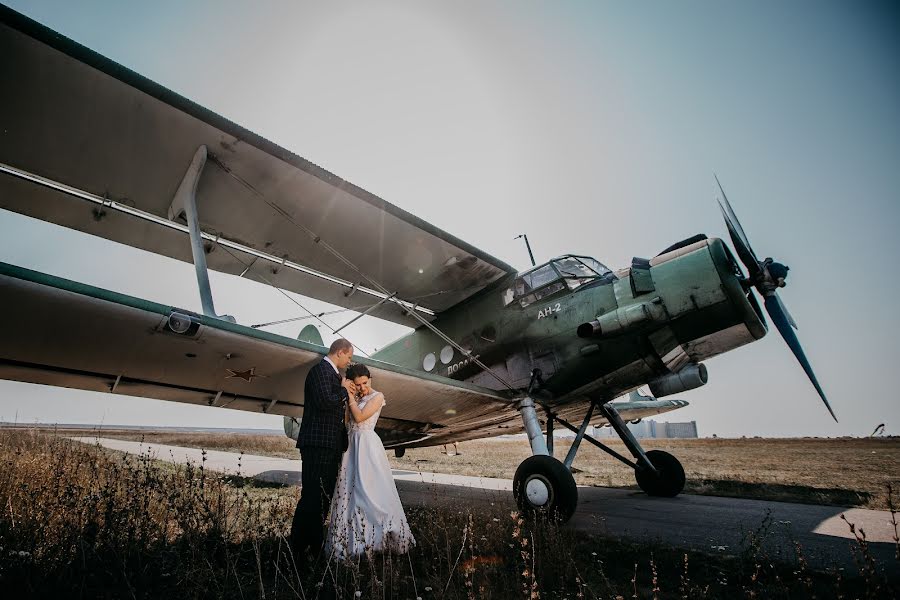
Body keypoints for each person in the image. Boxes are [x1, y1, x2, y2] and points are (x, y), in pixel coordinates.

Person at [325, 363, 415, 559]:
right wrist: (347, 395)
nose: (362, 388)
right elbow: (348, 421)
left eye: (364, 383)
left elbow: (360, 417)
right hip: (352, 446)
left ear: (370, 379)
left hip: (367, 445)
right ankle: (352, 543)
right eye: (357, 385)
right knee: (349, 490)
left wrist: (349, 396)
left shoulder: (378, 396)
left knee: (371, 489)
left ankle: (380, 537)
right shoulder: (355, 398)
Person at [290, 338, 356, 565]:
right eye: (349, 356)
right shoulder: (319, 371)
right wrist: (344, 391)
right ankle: (298, 548)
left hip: (330, 446)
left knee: (323, 499)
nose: (349, 361)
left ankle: (314, 546)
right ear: (340, 352)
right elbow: (324, 401)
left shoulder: (333, 375)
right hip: (317, 445)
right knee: (311, 497)